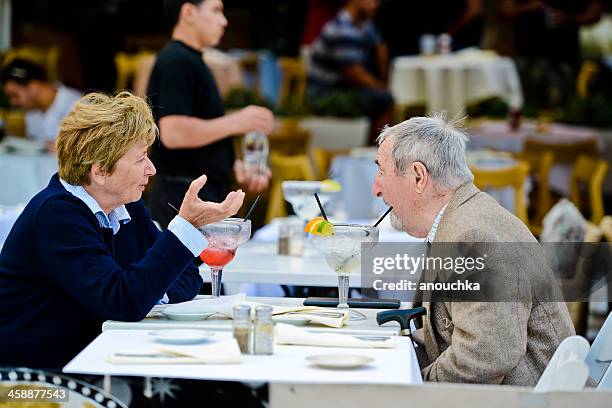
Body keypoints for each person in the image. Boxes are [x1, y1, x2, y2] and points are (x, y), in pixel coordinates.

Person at [0, 91, 245, 369]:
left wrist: (148, 290)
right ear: (100, 171)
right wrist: (185, 228)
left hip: (100, 360)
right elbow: (124, 301)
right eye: (141, 159)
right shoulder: (57, 214)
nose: (151, 169)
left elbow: (186, 274)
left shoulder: (126, 206)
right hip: (37, 379)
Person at [371, 114, 575, 384]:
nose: (376, 188)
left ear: (419, 177)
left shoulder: (474, 237)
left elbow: (487, 354)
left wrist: (416, 386)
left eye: (382, 172)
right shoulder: (464, 219)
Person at [147, 0, 274, 228]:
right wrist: (237, 121)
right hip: (183, 198)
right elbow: (174, 133)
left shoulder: (190, 59)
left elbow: (200, 132)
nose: (224, 21)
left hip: (196, 194)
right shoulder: (176, 60)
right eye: (216, 10)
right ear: (188, 12)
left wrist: (234, 167)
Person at [307, 0, 394, 144]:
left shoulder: (363, 25)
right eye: (371, 1)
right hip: (324, 95)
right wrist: (382, 86)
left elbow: (381, 47)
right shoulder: (341, 28)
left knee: (382, 96)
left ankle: (376, 146)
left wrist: (382, 79)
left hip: (342, 87)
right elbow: (354, 74)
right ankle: (377, 149)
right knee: (385, 100)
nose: (375, 6)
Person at [0, 58, 82, 152]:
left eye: (14, 95)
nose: (12, 102)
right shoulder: (31, 112)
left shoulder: (78, 105)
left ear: (33, 86)